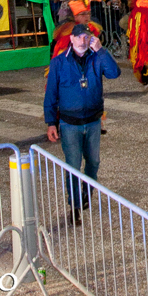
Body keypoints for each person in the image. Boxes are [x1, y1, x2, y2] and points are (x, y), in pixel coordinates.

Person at [43, 22, 121, 225]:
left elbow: (114, 73)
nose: (83, 40)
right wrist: (51, 122)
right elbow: (51, 93)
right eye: (79, 37)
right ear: (71, 39)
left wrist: (101, 51)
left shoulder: (97, 57)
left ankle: (87, 190)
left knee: (93, 163)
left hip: (93, 121)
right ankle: (75, 206)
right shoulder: (59, 63)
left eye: (86, 37)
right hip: (70, 124)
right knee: (73, 166)